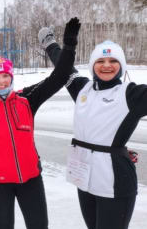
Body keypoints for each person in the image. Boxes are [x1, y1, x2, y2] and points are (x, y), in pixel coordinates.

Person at [0, 17, 81, 229]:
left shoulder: (26, 99)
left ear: (11, 77)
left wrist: (69, 45)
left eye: (5, 76)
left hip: (31, 179)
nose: (1, 81)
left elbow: (59, 77)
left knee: (39, 225)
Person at [38, 27, 146, 229]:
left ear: (121, 66)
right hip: (85, 178)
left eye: (113, 61)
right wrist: (50, 44)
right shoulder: (83, 88)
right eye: (101, 61)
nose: (107, 66)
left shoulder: (130, 94)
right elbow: (64, 67)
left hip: (115, 183)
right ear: (93, 65)